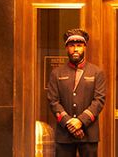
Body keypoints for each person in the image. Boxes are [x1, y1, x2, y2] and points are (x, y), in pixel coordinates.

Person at [45, 28, 106, 157]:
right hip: (64, 134)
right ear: (67, 48)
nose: (75, 49)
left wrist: (81, 121)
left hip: (89, 134)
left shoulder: (97, 72)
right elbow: (53, 101)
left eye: (79, 45)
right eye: (72, 46)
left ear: (84, 47)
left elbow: (99, 101)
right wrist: (69, 122)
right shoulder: (56, 73)